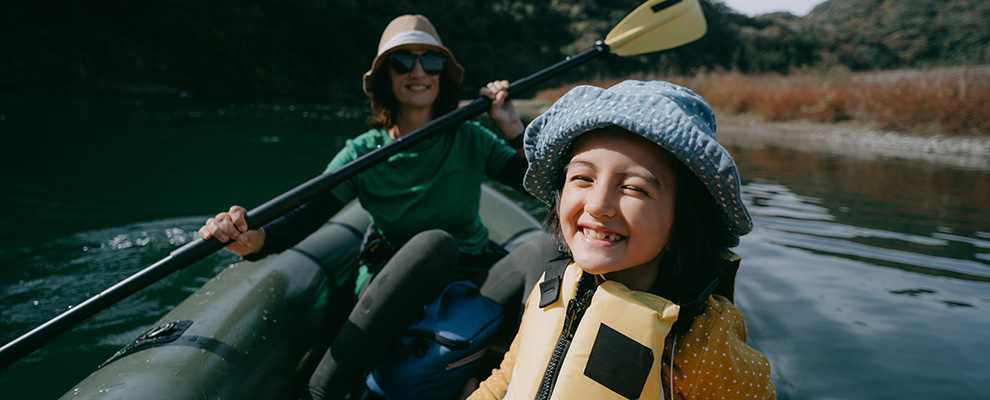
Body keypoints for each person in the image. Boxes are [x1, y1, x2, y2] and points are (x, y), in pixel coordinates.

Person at [197, 14, 541, 400]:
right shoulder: (362, 153)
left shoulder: (469, 137)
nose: (417, 72)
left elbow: (541, 189)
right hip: (401, 286)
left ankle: (535, 384)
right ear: (384, 76)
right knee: (435, 245)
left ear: (443, 73)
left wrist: (513, 130)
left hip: (474, 280)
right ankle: (323, 393)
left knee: (544, 249)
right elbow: (302, 218)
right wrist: (253, 239)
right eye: (402, 61)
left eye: (430, 61)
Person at [467, 80, 776, 400]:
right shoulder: (552, 285)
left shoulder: (703, 339)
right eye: (582, 179)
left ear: (683, 223)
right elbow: (507, 378)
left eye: (634, 188)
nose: (598, 205)